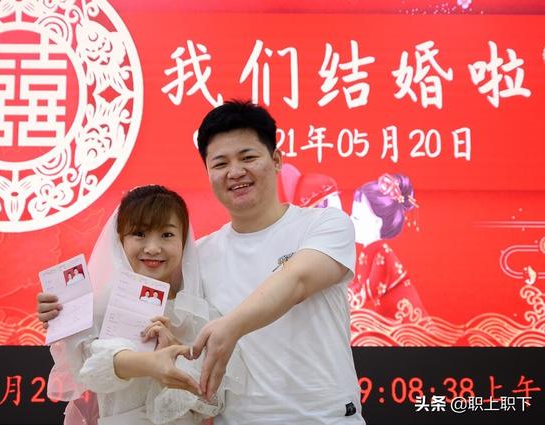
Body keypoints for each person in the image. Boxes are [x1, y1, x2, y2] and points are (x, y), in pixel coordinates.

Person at [191, 100, 364, 424]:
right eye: (220, 163)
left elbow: (297, 281)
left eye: (248, 157)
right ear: (209, 173)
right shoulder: (198, 256)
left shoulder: (325, 224)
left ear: (276, 160)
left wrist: (231, 326)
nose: (235, 172)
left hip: (326, 419)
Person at [39, 186, 245, 425]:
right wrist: (58, 315)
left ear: (184, 241)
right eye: (139, 233)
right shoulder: (96, 306)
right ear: (120, 239)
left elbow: (212, 402)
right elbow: (90, 373)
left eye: (167, 234)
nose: (153, 248)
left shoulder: (198, 313)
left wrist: (178, 353)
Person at [348, 173, 428, 319]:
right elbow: (361, 284)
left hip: (401, 316)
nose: (350, 221)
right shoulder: (369, 251)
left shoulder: (382, 253)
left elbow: (371, 289)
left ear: (377, 223)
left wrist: (350, 296)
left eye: (356, 218)